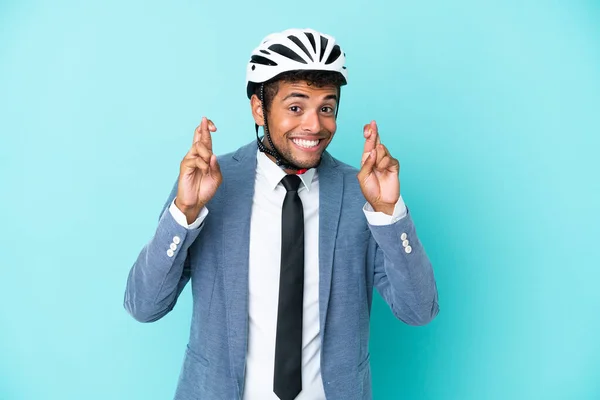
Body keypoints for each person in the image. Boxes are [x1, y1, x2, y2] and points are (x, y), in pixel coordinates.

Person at [124, 28, 439, 400]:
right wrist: (184, 213)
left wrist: (389, 213)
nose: (314, 125)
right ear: (259, 108)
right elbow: (144, 306)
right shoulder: (209, 184)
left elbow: (418, 310)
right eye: (295, 107)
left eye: (326, 108)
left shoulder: (361, 194)